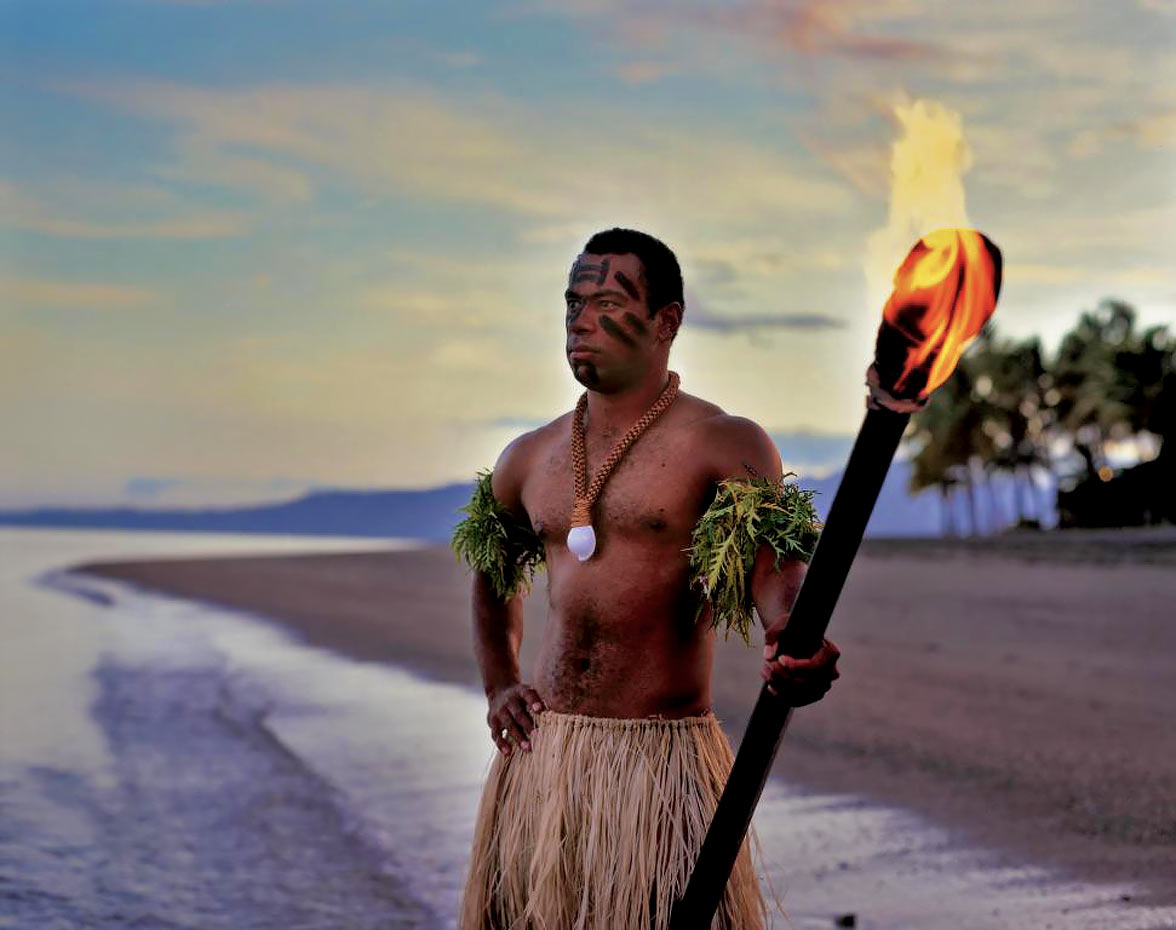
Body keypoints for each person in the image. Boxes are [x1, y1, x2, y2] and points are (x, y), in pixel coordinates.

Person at [456, 228, 842, 930]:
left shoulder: (725, 443)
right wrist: (498, 683)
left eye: (607, 300)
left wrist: (789, 629)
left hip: (657, 766)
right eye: (573, 301)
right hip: (544, 761)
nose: (580, 318)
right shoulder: (528, 455)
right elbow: (491, 576)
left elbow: (772, 570)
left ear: (667, 321)